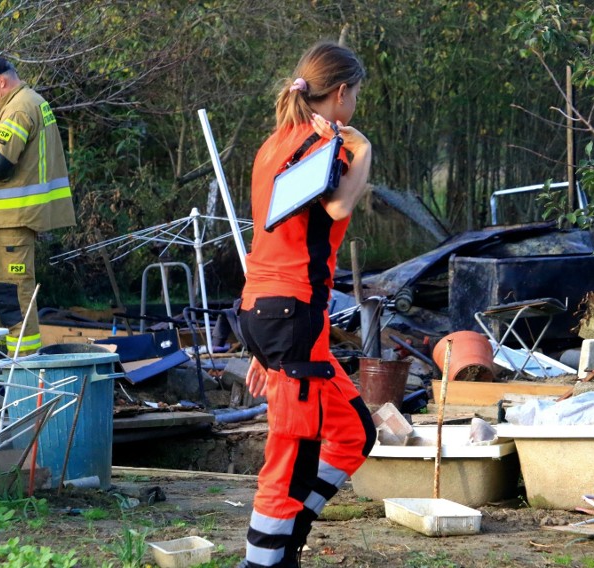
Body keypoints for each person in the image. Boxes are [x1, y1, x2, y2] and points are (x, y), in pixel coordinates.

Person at [237, 41, 376, 568]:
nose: (356, 105)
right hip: (291, 314)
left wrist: (264, 344)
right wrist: (362, 150)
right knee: (290, 455)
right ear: (339, 93)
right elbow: (339, 204)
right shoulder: (330, 145)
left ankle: (289, 535)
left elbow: (276, 236)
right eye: (356, 94)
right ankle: (263, 561)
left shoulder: (274, 144)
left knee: (353, 432)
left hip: (275, 315)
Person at [0, 56, 75, 355]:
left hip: (12, 222)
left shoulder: (19, 107)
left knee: (14, 300)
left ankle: (22, 377)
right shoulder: (23, 103)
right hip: (3, 223)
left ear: (1, 82)